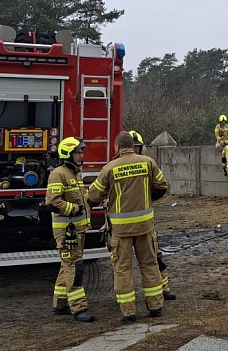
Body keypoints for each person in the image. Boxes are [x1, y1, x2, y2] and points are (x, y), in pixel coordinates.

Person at [88, 131, 169, 323]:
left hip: (121, 231)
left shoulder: (110, 168)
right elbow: (162, 186)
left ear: (117, 147)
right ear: (133, 146)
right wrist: (147, 199)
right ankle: (156, 307)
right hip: (145, 227)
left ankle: (129, 312)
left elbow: (93, 196)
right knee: (150, 265)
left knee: (123, 269)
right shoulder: (148, 162)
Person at [45, 136, 95, 322]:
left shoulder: (75, 173)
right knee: (74, 267)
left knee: (66, 266)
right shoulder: (58, 174)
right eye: (78, 152)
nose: (81, 155)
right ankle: (79, 308)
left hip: (77, 230)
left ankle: (60, 303)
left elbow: (81, 198)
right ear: (67, 154)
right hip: (67, 232)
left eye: (82, 152)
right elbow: (52, 202)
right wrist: (73, 209)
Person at [127, 130, 176, 301]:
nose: (134, 151)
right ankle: (124, 297)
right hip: (121, 224)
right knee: (121, 265)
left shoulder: (148, 164)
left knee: (155, 257)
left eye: (137, 148)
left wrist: (148, 198)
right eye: (131, 148)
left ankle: (164, 287)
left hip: (145, 222)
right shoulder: (115, 165)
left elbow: (162, 186)